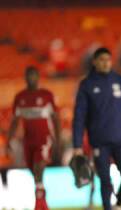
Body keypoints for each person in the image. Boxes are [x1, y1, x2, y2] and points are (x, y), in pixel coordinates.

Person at [72, 47, 121, 210]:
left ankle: (118, 203)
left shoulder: (120, 81)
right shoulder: (86, 85)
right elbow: (79, 117)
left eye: (108, 60)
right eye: (102, 60)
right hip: (99, 141)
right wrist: (77, 146)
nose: (106, 63)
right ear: (94, 62)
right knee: (105, 179)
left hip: (120, 139)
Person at [7, 66, 61, 210]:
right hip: (28, 141)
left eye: (33, 75)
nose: (31, 78)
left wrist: (58, 140)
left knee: (38, 169)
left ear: (38, 77)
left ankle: (38, 205)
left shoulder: (46, 95)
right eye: (28, 76)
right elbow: (15, 121)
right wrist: (8, 140)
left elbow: (56, 119)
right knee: (35, 174)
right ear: (25, 78)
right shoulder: (20, 97)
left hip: (44, 139)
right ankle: (43, 202)